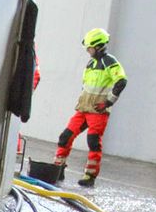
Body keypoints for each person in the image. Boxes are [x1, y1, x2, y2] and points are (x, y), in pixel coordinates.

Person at [54, 28, 127, 187]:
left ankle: (90, 175)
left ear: (99, 46)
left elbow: (121, 81)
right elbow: (85, 86)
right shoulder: (91, 63)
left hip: (98, 112)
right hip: (84, 109)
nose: (88, 50)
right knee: (65, 137)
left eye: (90, 47)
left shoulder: (110, 62)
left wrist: (107, 102)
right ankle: (57, 169)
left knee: (93, 142)